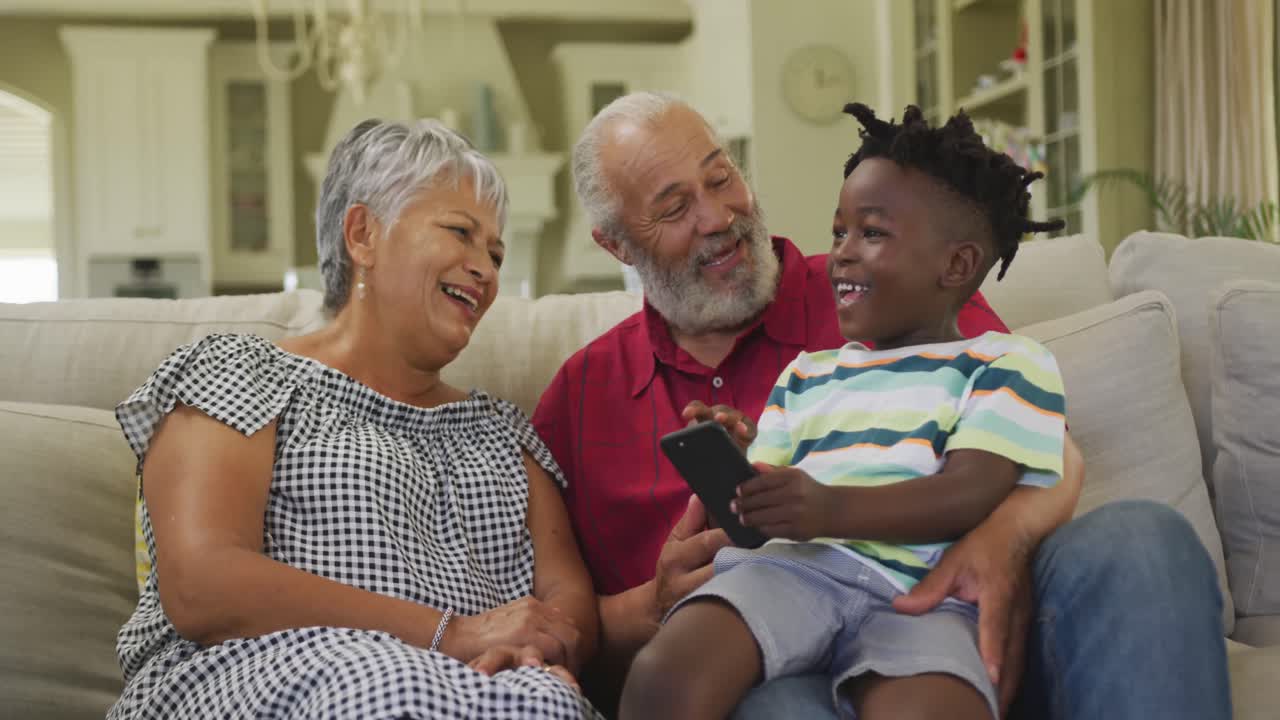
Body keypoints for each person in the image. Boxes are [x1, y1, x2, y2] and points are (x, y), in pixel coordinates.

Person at [532, 91, 1231, 719]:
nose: (719, 216)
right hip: (765, 630)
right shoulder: (578, 396)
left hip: (943, 613)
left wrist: (997, 543)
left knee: (1143, 537)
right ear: (615, 244)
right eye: (675, 207)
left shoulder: (892, 295)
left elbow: (1042, 444)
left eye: (721, 177)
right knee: (775, 706)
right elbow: (557, 622)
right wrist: (658, 604)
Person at [109, 119, 601, 719]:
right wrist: (454, 634)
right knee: (386, 683)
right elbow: (201, 586)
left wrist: (545, 652)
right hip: (254, 679)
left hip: (478, 692)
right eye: (460, 233)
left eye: (495, 253)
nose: (486, 269)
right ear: (363, 234)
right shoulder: (239, 373)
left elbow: (566, 600)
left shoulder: (504, 432)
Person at [620, 103, 1069, 720]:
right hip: (789, 574)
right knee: (665, 672)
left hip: (923, 597)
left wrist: (831, 508)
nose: (842, 254)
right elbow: (759, 520)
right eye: (839, 233)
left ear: (957, 265)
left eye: (872, 233)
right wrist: (740, 464)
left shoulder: (1007, 362)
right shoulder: (808, 372)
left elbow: (973, 491)